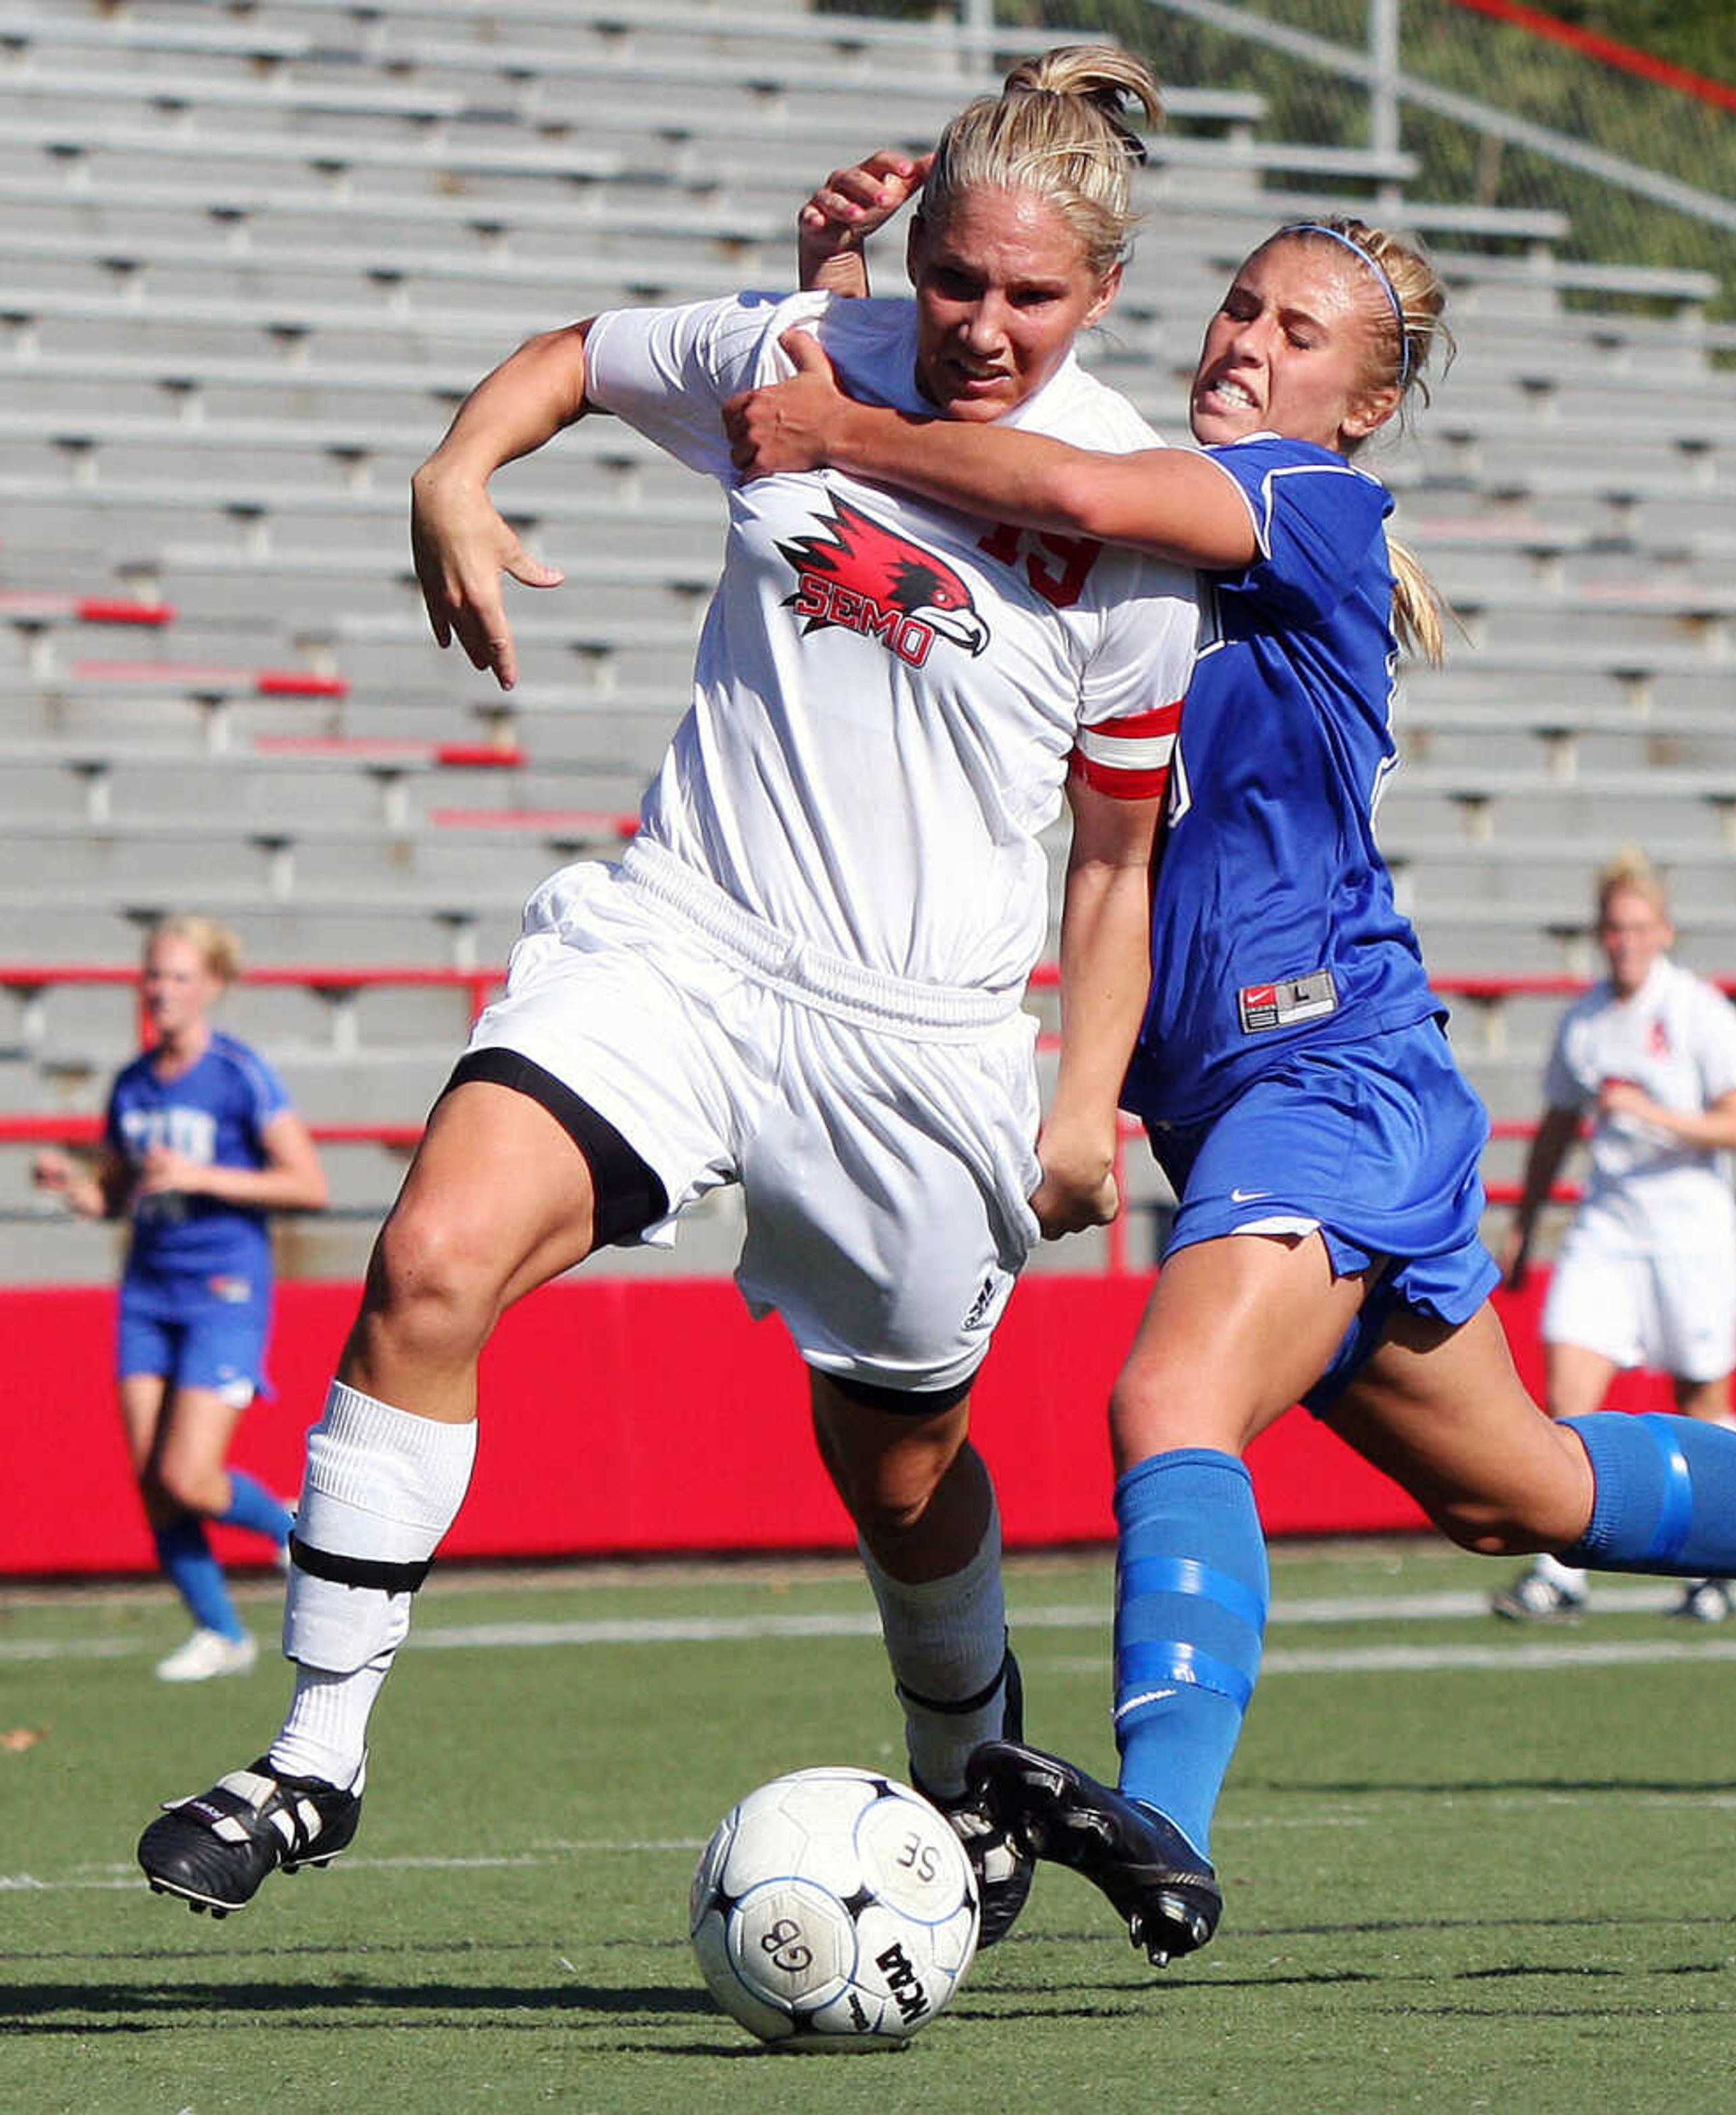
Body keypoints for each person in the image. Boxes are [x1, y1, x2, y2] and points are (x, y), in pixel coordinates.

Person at [726, 194, 1736, 1968]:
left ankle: (1168, 1828)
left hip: (1330, 1065)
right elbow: (938, 487)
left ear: (1363, 405)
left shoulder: (1311, 506)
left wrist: (834, 421)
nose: (1244, 345)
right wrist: (837, 304)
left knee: (1165, 1402)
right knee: (1531, 1492)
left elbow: (1070, 490)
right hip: (1257, 1105)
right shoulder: (1138, 516)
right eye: (1240, 309)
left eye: (1298, 335)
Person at [134, 48, 1201, 1946]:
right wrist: (455, 470)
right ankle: (310, 1752)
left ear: (1104, 295)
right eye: (955, 278)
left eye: (1031, 296)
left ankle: (971, 1752)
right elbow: (576, 352)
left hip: (923, 1039)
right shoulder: (804, 348)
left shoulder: (1129, 517)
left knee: (899, 1462)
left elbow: (1114, 864)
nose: (980, 323)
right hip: (684, 941)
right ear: (921, 249)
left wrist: (1081, 1095)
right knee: (430, 1260)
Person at [33, 917, 328, 1681]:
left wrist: (203, 1178)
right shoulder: (133, 1082)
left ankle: (295, 1532)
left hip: (222, 1287)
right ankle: (220, 1632)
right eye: (154, 975)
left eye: (178, 976)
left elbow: (308, 1183)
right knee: (151, 1480)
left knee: (190, 1476)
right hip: (147, 1289)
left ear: (213, 986)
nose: (162, 990)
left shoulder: (240, 1074)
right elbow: (117, 1194)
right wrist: (77, 1185)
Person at [1490, 852, 1736, 1625]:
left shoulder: (1699, 1010)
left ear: (1664, 931)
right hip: (1608, 1226)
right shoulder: (1583, 1021)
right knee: (1569, 1392)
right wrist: (1524, 1219)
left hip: (1690, 1230)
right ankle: (1561, 1570)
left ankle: (1719, 1561)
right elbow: (1554, 1128)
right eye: (1614, 927)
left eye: (1639, 927)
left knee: (1703, 1402)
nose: (1625, 941)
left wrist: (1653, 1113)